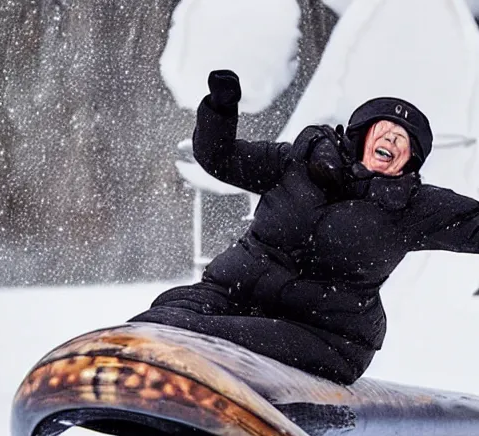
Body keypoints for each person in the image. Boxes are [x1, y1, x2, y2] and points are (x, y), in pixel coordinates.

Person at [130, 70, 479, 385]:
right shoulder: (296, 162)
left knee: (195, 333)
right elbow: (220, 157)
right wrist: (220, 111)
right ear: (362, 135)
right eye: (384, 130)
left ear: (410, 159)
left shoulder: (413, 207)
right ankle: (118, 375)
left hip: (324, 335)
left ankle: (181, 363)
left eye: (404, 139)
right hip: (232, 294)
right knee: (164, 314)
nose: (391, 140)